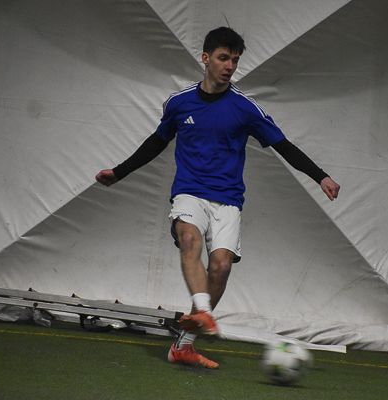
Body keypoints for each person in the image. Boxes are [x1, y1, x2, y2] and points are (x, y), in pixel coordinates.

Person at [95, 27, 340, 369]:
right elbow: (157, 141)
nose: (229, 66)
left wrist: (321, 176)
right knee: (189, 240)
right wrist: (119, 172)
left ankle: (184, 346)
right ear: (206, 58)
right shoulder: (179, 102)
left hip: (228, 200)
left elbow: (283, 145)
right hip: (189, 192)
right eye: (223, 58)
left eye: (235, 60)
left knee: (221, 267)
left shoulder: (245, 108)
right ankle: (204, 313)